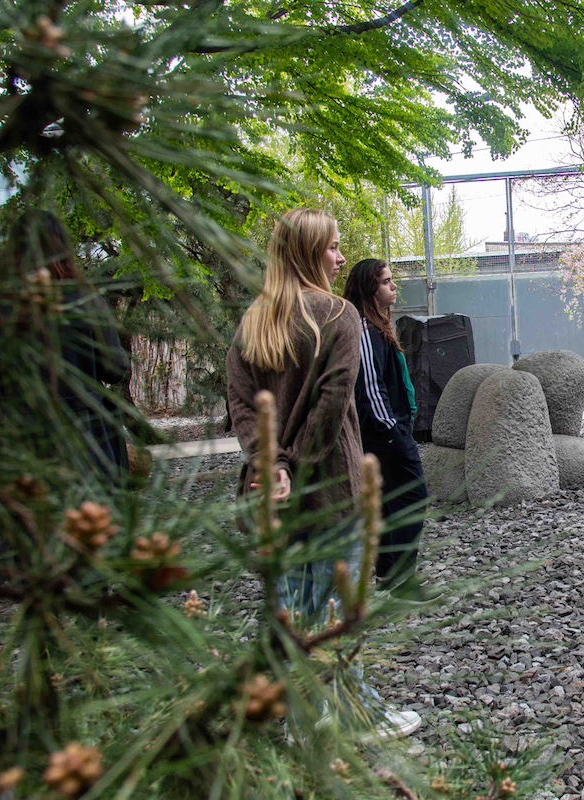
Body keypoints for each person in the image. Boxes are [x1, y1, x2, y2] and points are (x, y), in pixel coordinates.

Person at [226, 208, 420, 739]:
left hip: (272, 494)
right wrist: (293, 463)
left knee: (291, 603)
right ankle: (358, 716)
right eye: (333, 247)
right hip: (331, 484)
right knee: (340, 605)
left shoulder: (254, 319)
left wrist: (270, 462)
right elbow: (332, 406)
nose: (339, 257)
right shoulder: (339, 315)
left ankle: (294, 715)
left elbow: (241, 405)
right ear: (310, 253)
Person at [0, 211, 130, 548]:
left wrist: (10, 385)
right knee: (88, 535)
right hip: (85, 432)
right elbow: (115, 367)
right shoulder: (88, 303)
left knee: (29, 538)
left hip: (18, 434)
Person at [343, 258, 428, 593]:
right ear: (369, 288)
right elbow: (369, 386)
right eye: (385, 282)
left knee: (392, 501)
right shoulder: (364, 328)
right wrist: (393, 430)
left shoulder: (378, 325)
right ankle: (400, 578)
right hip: (383, 435)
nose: (393, 287)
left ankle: (389, 576)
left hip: (390, 431)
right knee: (414, 496)